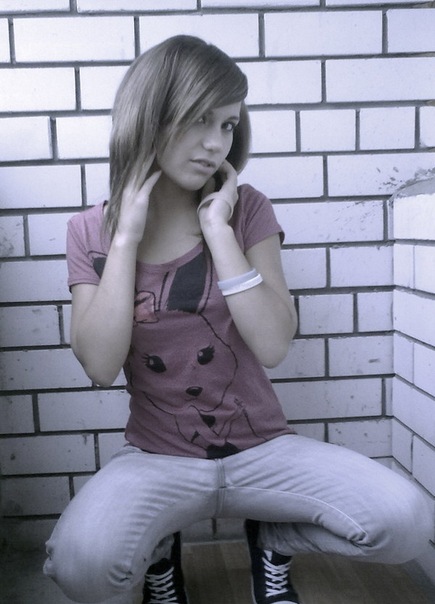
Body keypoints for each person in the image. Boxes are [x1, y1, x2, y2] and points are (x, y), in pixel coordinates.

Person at [43, 35, 431, 604]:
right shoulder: (87, 231)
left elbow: (272, 345)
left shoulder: (247, 210)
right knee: (81, 568)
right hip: (157, 456)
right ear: (151, 116)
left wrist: (218, 230)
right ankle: (159, 553)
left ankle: (273, 539)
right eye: (200, 119)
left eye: (227, 124)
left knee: (407, 524)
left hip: (263, 449)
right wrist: (124, 236)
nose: (215, 143)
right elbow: (100, 366)